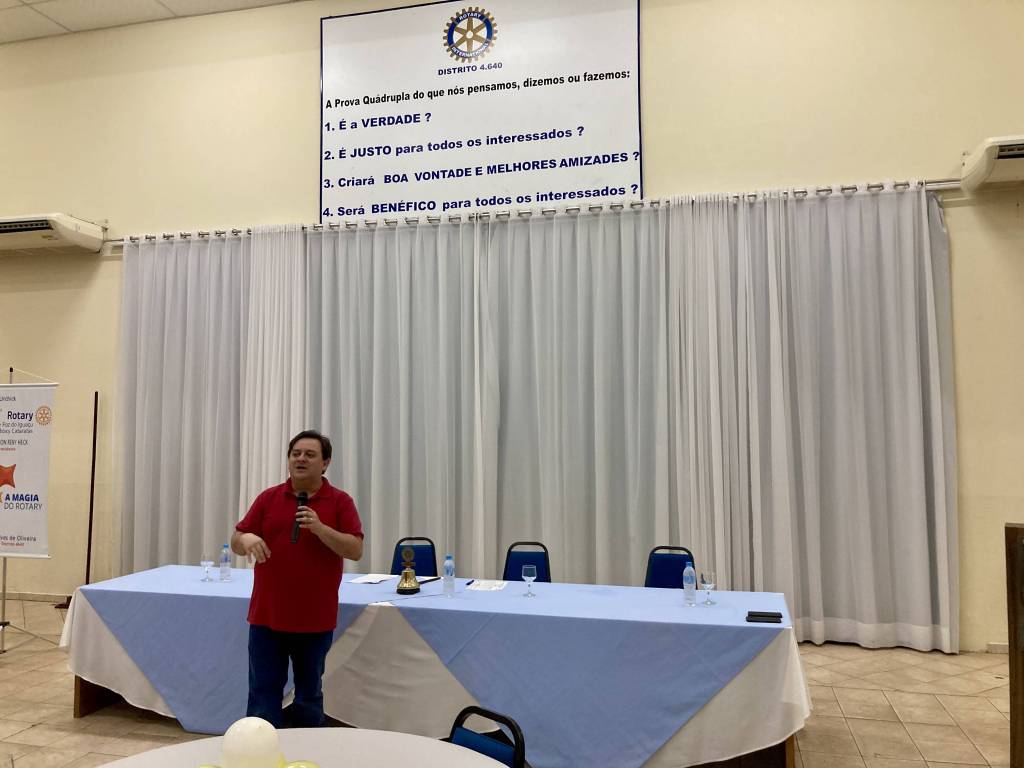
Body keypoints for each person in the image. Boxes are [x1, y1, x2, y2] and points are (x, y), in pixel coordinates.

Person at [231, 429, 363, 728]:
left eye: (310, 455)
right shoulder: (269, 498)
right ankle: (260, 747)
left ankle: (308, 748)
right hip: (267, 616)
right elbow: (237, 539)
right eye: (295, 454)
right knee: (262, 692)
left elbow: (355, 550)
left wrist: (321, 529)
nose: (301, 459)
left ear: (325, 463)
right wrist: (246, 538)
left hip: (314, 618)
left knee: (308, 695)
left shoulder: (340, 501)